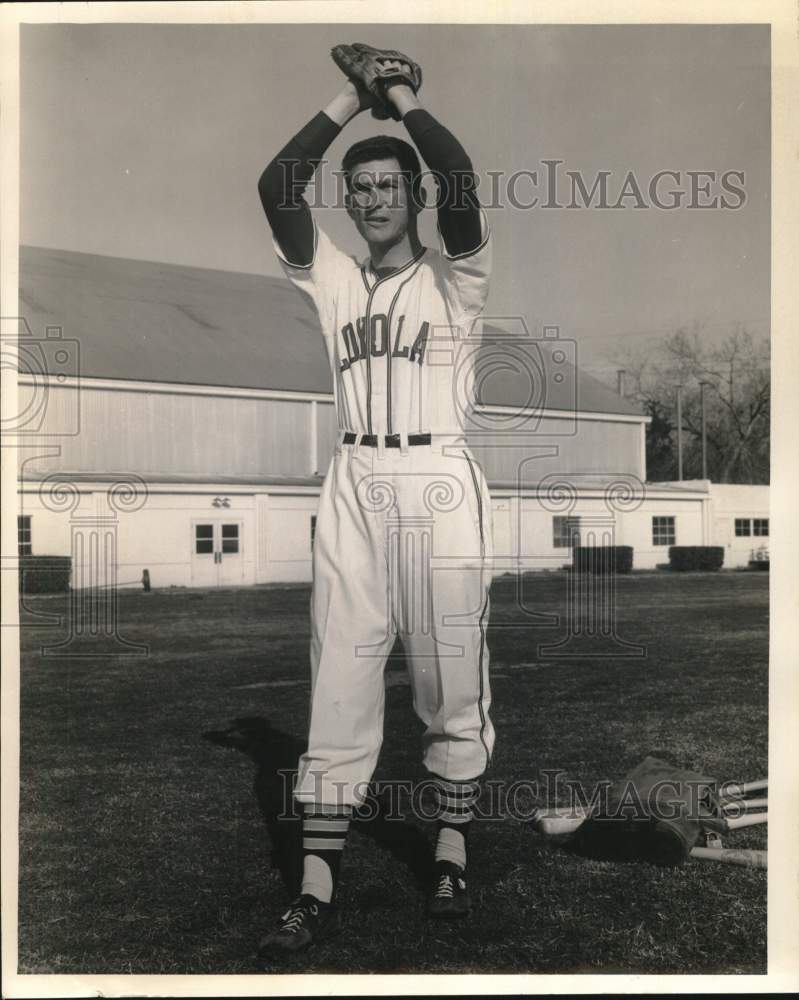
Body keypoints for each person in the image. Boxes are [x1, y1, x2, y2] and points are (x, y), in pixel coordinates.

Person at [257, 48, 495, 955]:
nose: (372, 198)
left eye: (391, 184)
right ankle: (315, 883)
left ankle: (449, 849)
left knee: (448, 677)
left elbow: (463, 177)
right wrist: (344, 104)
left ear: (413, 195)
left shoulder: (457, 280)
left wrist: (399, 100)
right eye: (360, 188)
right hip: (354, 482)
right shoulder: (332, 278)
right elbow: (278, 185)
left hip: (439, 482)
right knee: (340, 676)